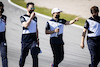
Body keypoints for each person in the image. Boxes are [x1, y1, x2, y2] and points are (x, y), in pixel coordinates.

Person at [19, 2, 40, 67]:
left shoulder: (35, 18)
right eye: (31, 8)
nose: (32, 9)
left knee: (35, 54)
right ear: (27, 8)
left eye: (33, 8)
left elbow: (36, 28)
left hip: (33, 39)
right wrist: (31, 18)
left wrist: (37, 38)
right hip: (25, 39)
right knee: (23, 56)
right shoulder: (23, 17)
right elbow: (25, 25)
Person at [0, 1, 8, 67]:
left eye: (1, 8)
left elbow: (4, 27)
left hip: (2, 38)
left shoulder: (4, 17)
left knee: (4, 55)